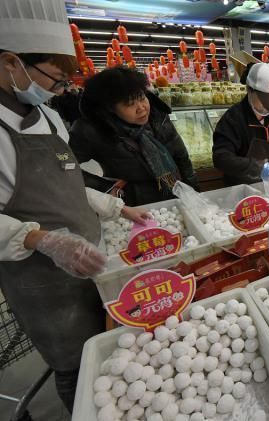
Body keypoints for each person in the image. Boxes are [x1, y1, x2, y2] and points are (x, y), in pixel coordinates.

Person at [0, 0, 148, 415]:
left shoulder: (48, 119)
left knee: (102, 346)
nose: (63, 89)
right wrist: (40, 239)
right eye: (58, 78)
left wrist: (117, 210)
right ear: (12, 63)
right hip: (42, 279)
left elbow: (68, 185)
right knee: (73, 364)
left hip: (92, 258)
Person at [70, 67, 199, 206]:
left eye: (142, 98)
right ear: (110, 108)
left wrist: (193, 189)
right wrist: (105, 187)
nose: (141, 108)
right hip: (131, 204)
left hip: (173, 193)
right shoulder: (94, 130)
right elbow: (66, 167)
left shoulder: (157, 116)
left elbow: (181, 155)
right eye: (130, 104)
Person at [212, 62, 269, 186]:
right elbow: (221, 158)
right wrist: (257, 167)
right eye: (264, 99)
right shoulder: (233, 119)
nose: (268, 106)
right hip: (242, 188)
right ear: (249, 90)